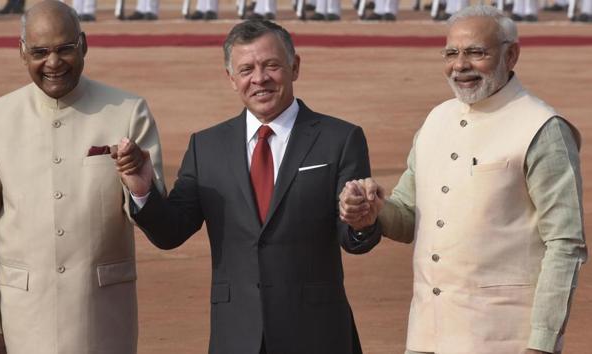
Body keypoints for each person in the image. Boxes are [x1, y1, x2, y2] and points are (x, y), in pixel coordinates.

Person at [118, 19, 380, 354]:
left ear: (294, 67)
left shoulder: (339, 139)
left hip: (317, 334)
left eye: (271, 65)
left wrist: (361, 221)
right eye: (246, 70)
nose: (259, 79)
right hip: (236, 336)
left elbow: (353, 237)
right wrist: (143, 191)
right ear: (231, 79)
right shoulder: (206, 147)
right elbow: (172, 232)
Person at [340, 5, 586, 354]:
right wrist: (374, 211)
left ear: (511, 54)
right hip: (427, 334)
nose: (460, 65)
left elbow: (565, 245)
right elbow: (410, 217)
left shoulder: (543, 128)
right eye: (452, 53)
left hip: (504, 340)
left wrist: (543, 344)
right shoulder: (436, 120)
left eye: (476, 52)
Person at [0, 1, 165, 353]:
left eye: (64, 49)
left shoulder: (128, 111)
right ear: (23, 53)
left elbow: (157, 215)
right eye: (40, 52)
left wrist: (140, 187)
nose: (53, 63)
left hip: (102, 317)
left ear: (84, 45)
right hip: (22, 318)